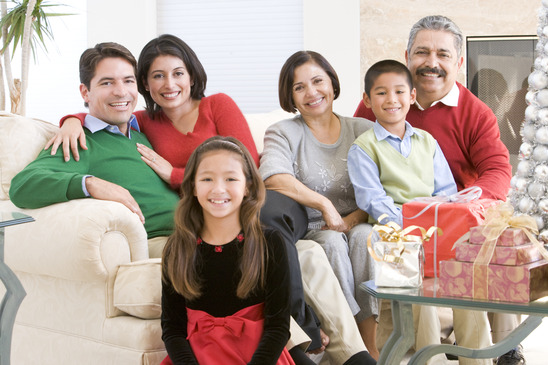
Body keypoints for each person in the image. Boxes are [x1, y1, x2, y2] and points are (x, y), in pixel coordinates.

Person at [46, 35, 369, 361]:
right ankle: (351, 355)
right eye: (157, 76)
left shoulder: (218, 104)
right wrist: (70, 120)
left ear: (192, 74)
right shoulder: (144, 122)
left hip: (261, 200)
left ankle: (306, 326)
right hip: (217, 219)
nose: (169, 84)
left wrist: (174, 174)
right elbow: (105, 113)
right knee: (310, 252)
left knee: (268, 231)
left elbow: (245, 164)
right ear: (145, 83)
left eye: (178, 73)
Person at [353, 15, 517, 365]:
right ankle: (416, 352)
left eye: (443, 54)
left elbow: (497, 169)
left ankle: (502, 349)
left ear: (458, 62)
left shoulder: (475, 112)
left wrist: (463, 209)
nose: (432, 62)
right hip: (396, 216)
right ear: (408, 55)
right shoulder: (383, 102)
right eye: (422, 52)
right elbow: (361, 166)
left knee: (491, 237)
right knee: (395, 246)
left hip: (455, 209)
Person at [260, 50, 378, 362]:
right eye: (299, 87)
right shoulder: (283, 132)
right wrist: (324, 205)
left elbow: (381, 188)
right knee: (330, 242)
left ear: (332, 83)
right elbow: (273, 178)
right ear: (290, 96)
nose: (311, 92)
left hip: (359, 219)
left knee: (364, 238)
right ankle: (351, 346)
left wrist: (351, 219)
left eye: (317, 81)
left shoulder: (363, 130)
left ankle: (370, 343)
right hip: (312, 228)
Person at [9, 42, 180, 259]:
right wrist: (91, 184)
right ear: (85, 92)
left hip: (199, 231)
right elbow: (22, 186)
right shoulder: (79, 141)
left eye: (128, 81)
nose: (121, 92)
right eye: (107, 83)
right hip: (163, 242)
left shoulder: (143, 131)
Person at [160, 136, 294, 365]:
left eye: (231, 178)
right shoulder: (178, 247)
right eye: (207, 179)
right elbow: (172, 329)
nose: (218, 189)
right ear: (193, 186)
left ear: (248, 187)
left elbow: (278, 327)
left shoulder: (270, 243)